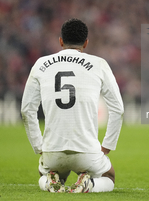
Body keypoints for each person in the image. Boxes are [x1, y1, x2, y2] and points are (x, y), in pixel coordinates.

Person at [21, 18, 124, 193]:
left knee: (44, 172)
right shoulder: (99, 64)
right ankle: (89, 185)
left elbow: (27, 110)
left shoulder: (40, 64)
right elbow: (118, 109)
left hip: (52, 151)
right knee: (109, 177)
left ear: (60, 41)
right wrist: (107, 145)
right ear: (86, 42)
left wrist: (39, 146)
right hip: (87, 151)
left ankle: (49, 182)